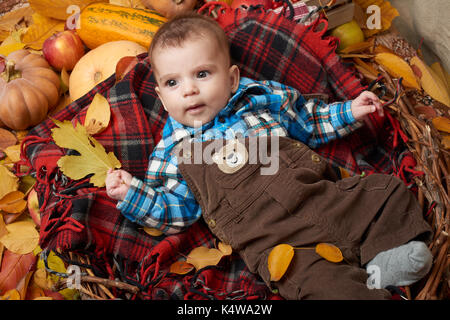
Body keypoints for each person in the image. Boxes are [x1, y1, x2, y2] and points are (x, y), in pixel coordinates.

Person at [105, 12, 432, 299]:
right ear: (162, 98)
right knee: (317, 284)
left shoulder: (260, 98)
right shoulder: (175, 150)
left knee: (385, 192)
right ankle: (361, 286)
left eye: (202, 74)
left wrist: (349, 112)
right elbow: (175, 210)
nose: (189, 89)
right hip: (279, 243)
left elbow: (309, 121)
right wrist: (132, 193)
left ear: (232, 78)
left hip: (321, 197)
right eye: (173, 82)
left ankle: (384, 263)